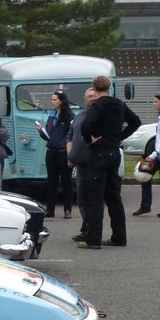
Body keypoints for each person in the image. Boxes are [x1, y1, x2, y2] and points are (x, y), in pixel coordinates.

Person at [78, 76, 141, 249]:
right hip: (114, 152)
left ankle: (93, 239)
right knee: (114, 197)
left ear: (94, 88)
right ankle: (119, 236)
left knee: (95, 197)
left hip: (99, 153)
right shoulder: (119, 104)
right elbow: (136, 122)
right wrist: (119, 136)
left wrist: (89, 140)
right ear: (109, 87)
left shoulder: (97, 106)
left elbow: (86, 126)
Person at [35, 91, 74, 218]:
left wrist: (69, 150)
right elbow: (49, 136)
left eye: (55, 99)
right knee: (52, 182)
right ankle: (50, 210)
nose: (52, 102)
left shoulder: (70, 116)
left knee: (66, 182)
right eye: (52, 99)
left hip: (64, 152)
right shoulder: (52, 116)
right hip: (51, 152)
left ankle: (67, 210)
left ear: (61, 101)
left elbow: (72, 134)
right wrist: (41, 131)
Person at [66, 88, 98, 237]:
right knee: (81, 199)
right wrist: (70, 155)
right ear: (85, 100)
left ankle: (90, 231)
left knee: (93, 199)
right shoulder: (79, 116)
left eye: (95, 96)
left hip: (95, 164)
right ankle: (86, 228)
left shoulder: (101, 116)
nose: (92, 98)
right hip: (80, 165)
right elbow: (70, 137)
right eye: (90, 96)